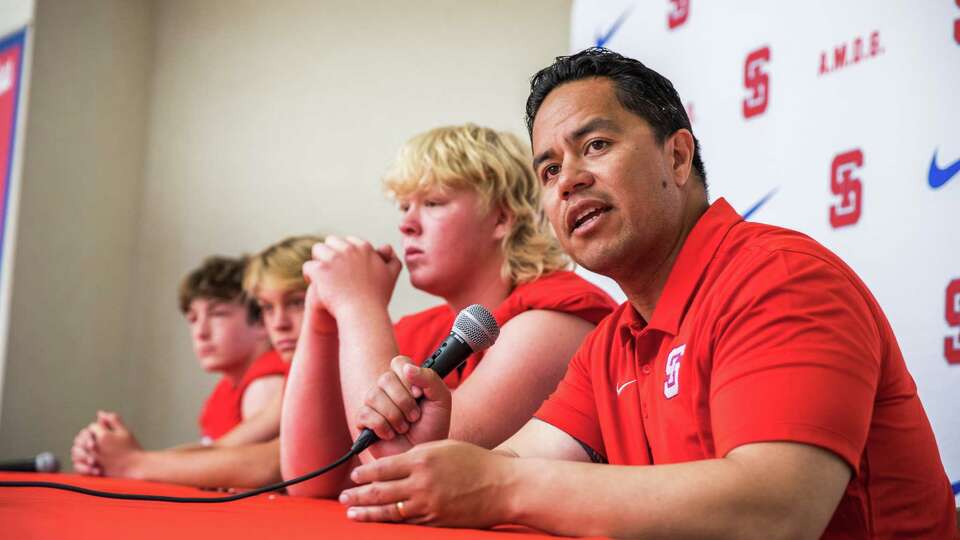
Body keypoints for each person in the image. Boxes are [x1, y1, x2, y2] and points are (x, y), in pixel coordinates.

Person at [336, 49, 958, 539]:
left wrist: (495, 486)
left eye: (596, 146)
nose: (569, 180)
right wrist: (427, 459)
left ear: (679, 155)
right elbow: (522, 464)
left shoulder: (780, 277)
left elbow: (778, 509)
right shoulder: (613, 341)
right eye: (549, 170)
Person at [281, 124, 617, 497]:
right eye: (405, 206)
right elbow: (309, 477)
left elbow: (406, 462)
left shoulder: (554, 321)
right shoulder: (425, 329)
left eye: (433, 203)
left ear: (502, 218)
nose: (406, 224)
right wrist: (321, 316)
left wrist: (356, 305)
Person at [70, 237, 321, 488]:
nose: (278, 323)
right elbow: (223, 448)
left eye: (296, 302)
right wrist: (118, 458)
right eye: (267, 307)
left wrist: (133, 463)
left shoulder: (271, 381)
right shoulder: (295, 376)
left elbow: (273, 465)